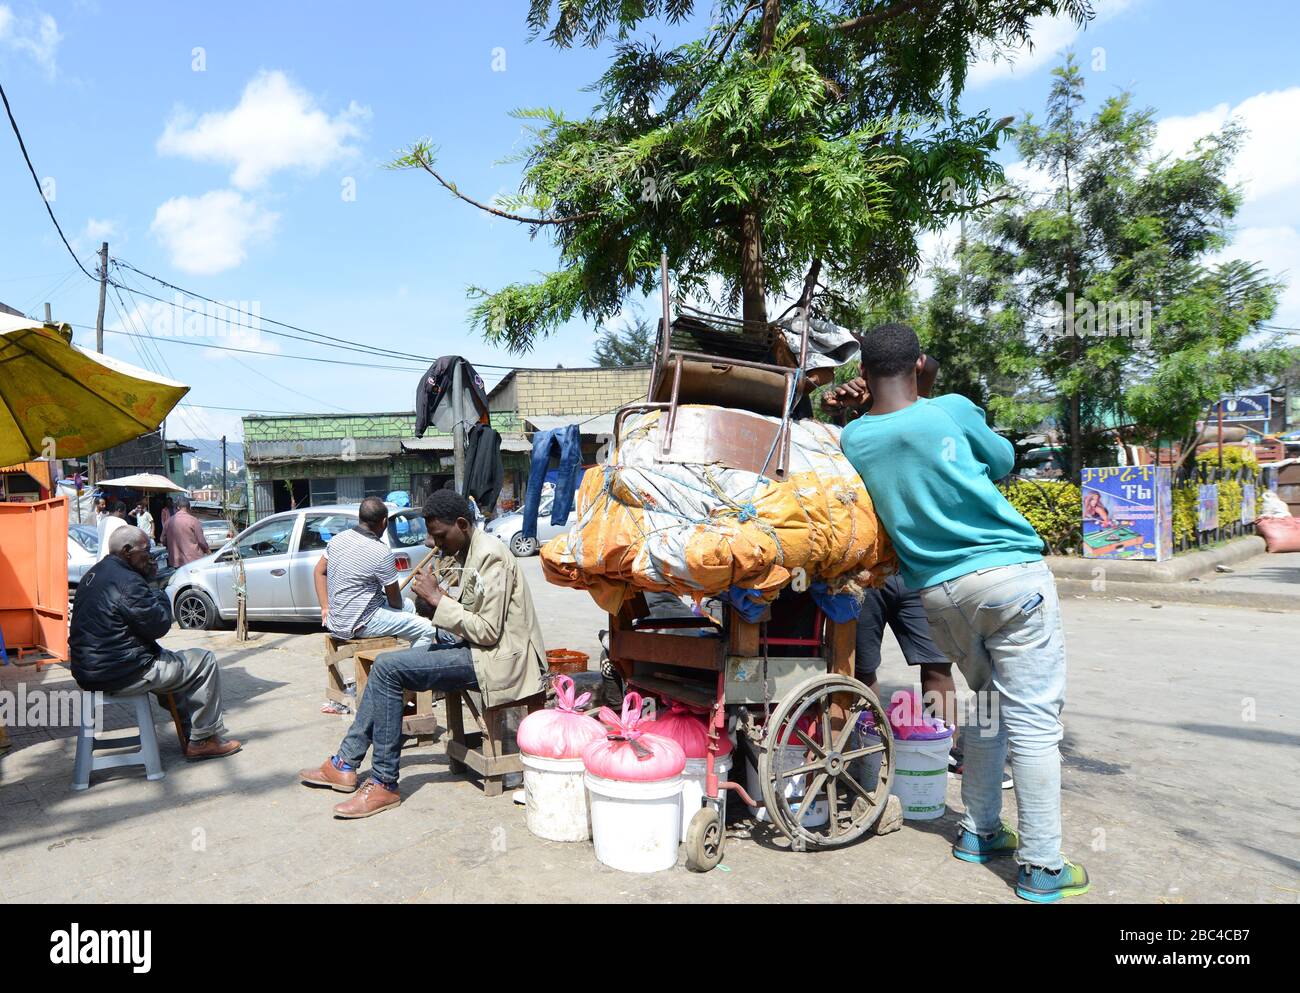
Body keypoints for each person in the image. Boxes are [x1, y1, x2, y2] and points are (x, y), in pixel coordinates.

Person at [838, 322, 1088, 903]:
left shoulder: (855, 440)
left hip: (938, 596)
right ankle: (1044, 866)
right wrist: (936, 390)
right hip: (1008, 580)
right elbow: (1001, 461)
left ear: (863, 374)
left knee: (991, 708)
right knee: (1033, 723)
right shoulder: (948, 406)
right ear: (921, 363)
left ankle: (979, 830)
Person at [299, 490, 547, 819]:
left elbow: (487, 630)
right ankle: (345, 763)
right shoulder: (468, 550)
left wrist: (440, 601)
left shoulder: (491, 555)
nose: (434, 543)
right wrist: (434, 602)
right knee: (387, 670)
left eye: (440, 535)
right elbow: (469, 613)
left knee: (388, 668)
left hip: (498, 659)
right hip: (477, 649)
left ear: (461, 524)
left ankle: (382, 781)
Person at [825, 360, 1012, 789]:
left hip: (914, 568)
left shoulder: (927, 418)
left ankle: (944, 748)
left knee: (936, 666)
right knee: (861, 667)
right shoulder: (856, 433)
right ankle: (866, 752)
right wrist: (844, 411)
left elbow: (920, 398)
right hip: (864, 573)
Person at [69, 525, 241, 760]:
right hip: (123, 670)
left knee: (174, 665)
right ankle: (203, 740)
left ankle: (193, 735)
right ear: (127, 551)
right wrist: (155, 587)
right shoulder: (128, 581)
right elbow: (159, 625)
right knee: (204, 661)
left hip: (88, 671)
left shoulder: (94, 574)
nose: (150, 556)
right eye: (145, 550)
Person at [313, 496, 434, 649]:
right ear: (384, 522)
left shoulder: (337, 539)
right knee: (427, 629)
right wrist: (399, 618)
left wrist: (325, 607)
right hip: (359, 624)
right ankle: (408, 668)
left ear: (360, 518)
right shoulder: (381, 551)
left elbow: (318, 572)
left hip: (335, 621)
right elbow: (395, 601)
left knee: (409, 605)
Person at [162, 494, 210, 568]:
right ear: (189, 507)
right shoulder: (193, 520)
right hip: (193, 560)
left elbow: (163, 540)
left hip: (176, 561)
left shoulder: (168, 522)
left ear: (177, 508)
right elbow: (201, 541)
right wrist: (207, 551)